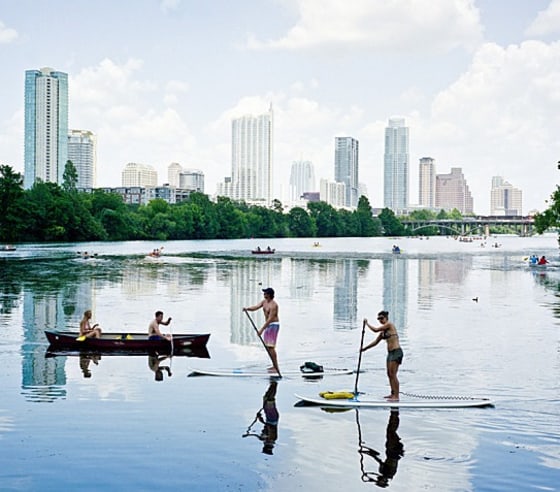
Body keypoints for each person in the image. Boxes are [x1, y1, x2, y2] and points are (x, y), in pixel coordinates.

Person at [362, 311, 403, 401]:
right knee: (389, 374)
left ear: (386, 318)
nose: (380, 320)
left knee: (393, 374)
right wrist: (365, 348)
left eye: (382, 318)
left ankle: (396, 396)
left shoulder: (389, 325)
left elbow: (375, 330)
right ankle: (392, 393)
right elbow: (375, 342)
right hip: (390, 353)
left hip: (396, 352)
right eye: (379, 319)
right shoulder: (383, 333)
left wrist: (367, 324)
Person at [243, 288, 280, 373]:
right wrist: (247, 309)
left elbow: (270, 319)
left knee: (271, 347)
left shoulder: (274, 305)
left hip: (273, 325)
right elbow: (256, 307)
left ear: (269, 295)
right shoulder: (264, 302)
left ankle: (276, 367)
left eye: (265, 293)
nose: (264, 294)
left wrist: (261, 330)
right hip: (268, 325)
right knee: (268, 347)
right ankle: (274, 366)